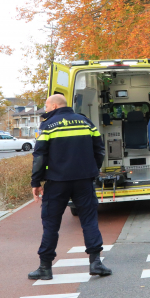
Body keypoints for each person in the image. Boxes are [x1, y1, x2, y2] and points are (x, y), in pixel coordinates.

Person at [28, 94, 111, 280]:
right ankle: (96, 262)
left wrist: (36, 182)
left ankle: (45, 267)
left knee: (51, 223)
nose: (46, 109)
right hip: (84, 180)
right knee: (89, 220)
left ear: (55, 106)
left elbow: (39, 155)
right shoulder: (86, 122)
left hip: (56, 182)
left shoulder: (47, 126)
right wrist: (92, 170)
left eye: (47, 106)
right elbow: (100, 149)